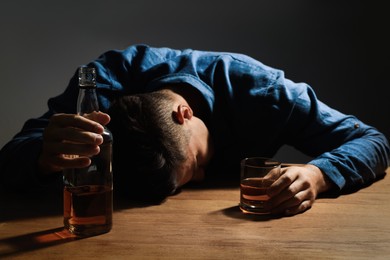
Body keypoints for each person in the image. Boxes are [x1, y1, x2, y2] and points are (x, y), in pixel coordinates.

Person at [0, 44, 389, 216]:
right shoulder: (98, 89)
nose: (202, 176)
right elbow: (14, 154)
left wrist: (317, 174)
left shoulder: (261, 90)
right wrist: (41, 154)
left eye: (198, 163)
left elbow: (372, 140)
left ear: (185, 113)